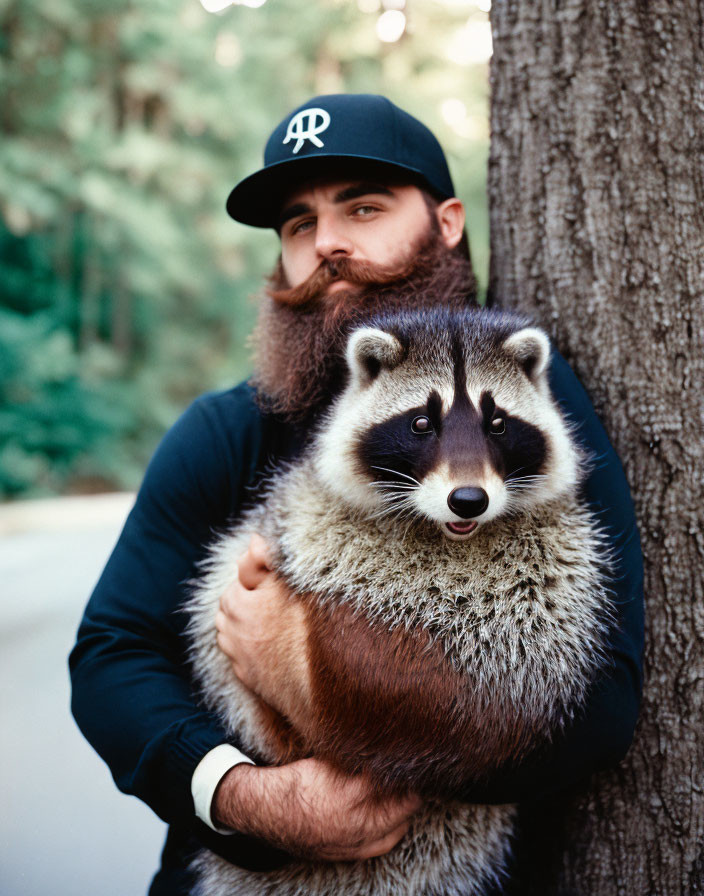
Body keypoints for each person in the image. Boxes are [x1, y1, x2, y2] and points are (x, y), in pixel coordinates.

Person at [69, 94, 644, 895]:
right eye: (299, 225)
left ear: (446, 222)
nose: (327, 243)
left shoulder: (523, 406)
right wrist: (244, 795)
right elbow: (113, 654)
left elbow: (600, 707)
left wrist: (300, 667)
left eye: (363, 208)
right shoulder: (224, 430)